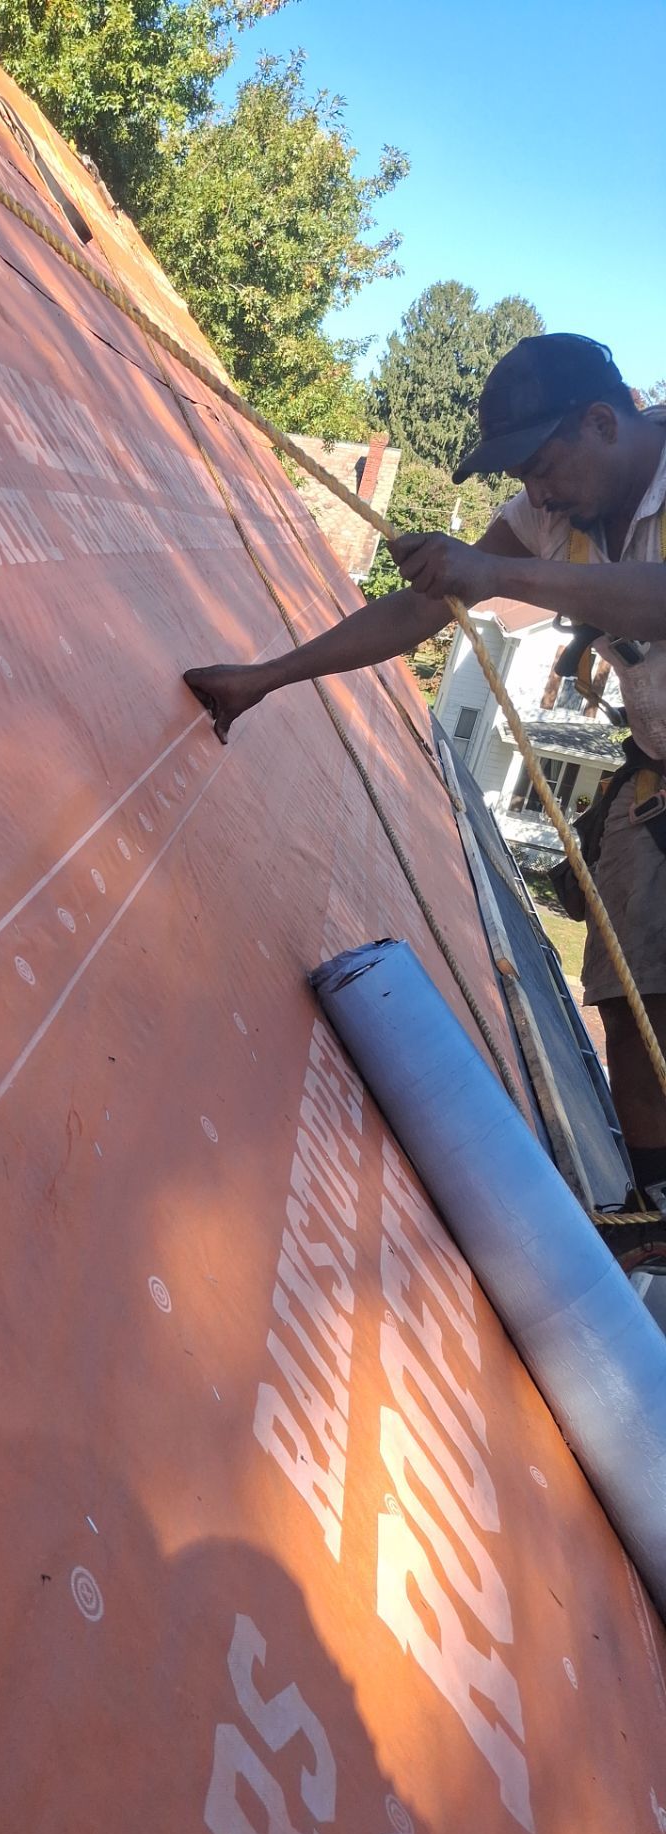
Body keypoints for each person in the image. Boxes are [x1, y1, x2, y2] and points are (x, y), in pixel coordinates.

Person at [183, 334, 666, 1209]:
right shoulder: (556, 514)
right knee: (631, 1002)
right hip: (655, 772)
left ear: (602, 422)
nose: (536, 495)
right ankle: (652, 1217)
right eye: (523, 478)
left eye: (541, 468)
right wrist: (267, 679)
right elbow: (421, 610)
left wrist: (496, 570)